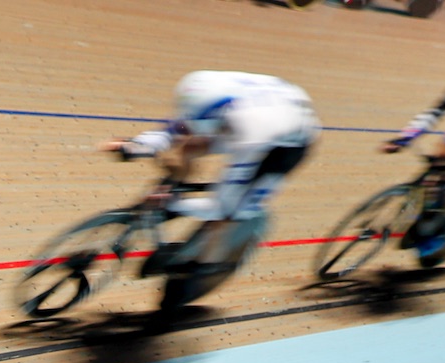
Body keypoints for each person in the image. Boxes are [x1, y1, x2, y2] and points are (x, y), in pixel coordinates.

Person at [106, 70, 319, 258]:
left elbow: (222, 205)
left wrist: (175, 205)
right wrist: (137, 144)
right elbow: (175, 130)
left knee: (233, 210)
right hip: (263, 110)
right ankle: (171, 191)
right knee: (187, 146)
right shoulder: (203, 87)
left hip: (284, 144)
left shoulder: (251, 133)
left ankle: (207, 261)